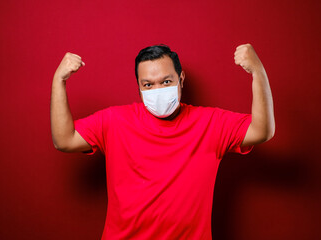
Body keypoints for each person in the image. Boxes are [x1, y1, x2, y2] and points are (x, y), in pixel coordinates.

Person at [50, 44, 275, 239]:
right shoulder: (114, 121)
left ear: (181, 79)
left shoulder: (211, 123)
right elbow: (65, 140)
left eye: (166, 81)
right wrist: (59, 81)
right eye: (148, 85)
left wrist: (258, 72)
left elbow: (261, 130)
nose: (158, 91)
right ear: (138, 87)